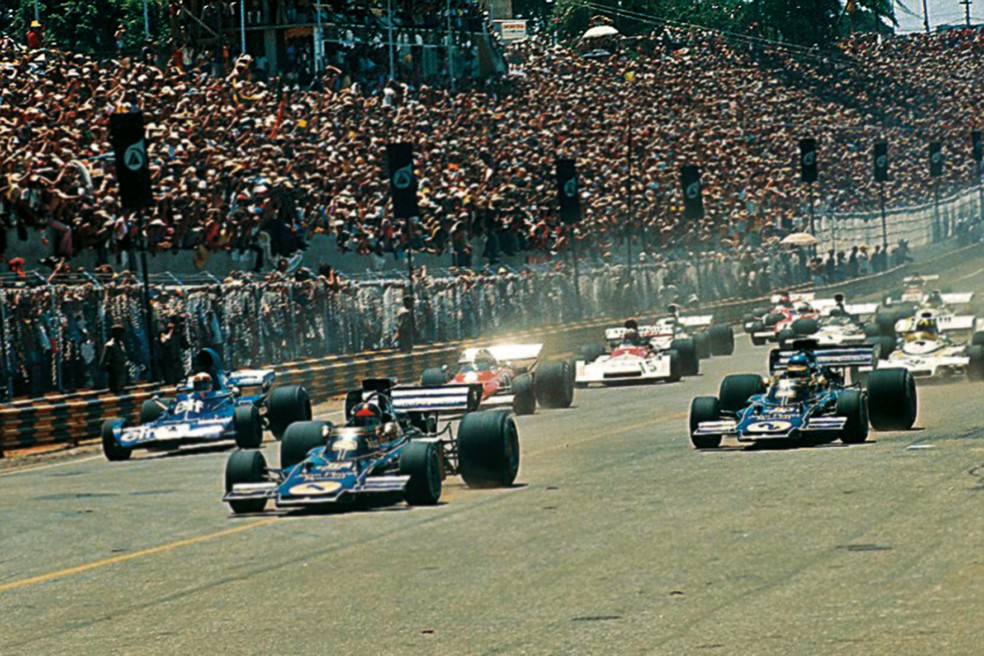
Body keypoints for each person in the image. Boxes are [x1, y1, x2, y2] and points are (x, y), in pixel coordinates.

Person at [100, 324, 130, 393]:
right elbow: (103, 361)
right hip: (114, 374)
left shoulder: (121, 344)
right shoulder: (109, 345)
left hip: (122, 372)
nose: (121, 335)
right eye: (119, 333)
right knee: (115, 391)